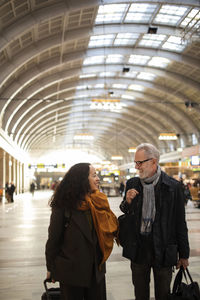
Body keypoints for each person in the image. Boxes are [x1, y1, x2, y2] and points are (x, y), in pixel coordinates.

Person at [119, 143, 189, 300]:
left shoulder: (173, 187)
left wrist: (184, 255)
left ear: (154, 162)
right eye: (135, 163)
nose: (137, 167)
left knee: (163, 294)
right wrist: (128, 202)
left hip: (163, 249)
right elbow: (125, 211)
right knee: (140, 294)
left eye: (140, 162)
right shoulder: (132, 184)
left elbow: (179, 222)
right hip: (138, 249)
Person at [45, 162, 119, 300]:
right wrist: (51, 268)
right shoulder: (64, 205)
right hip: (71, 273)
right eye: (94, 175)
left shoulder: (99, 202)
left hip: (96, 272)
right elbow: (54, 240)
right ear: (82, 179)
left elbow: (112, 229)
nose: (98, 179)